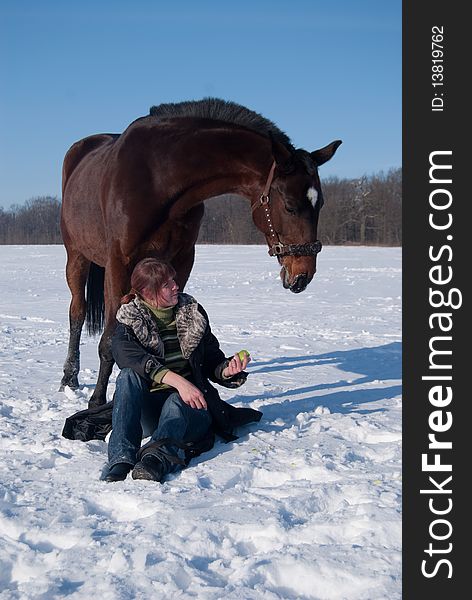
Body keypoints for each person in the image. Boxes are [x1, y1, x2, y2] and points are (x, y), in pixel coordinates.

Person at [102, 257, 262, 483]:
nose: (176, 285)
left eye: (173, 280)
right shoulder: (130, 319)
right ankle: (121, 458)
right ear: (147, 292)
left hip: (192, 408)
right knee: (128, 376)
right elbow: (125, 356)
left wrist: (227, 370)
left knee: (177, 401)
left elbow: (212, 360)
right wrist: (179, 382)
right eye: (167, 284)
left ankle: (156, 460)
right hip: (150, 409)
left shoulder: (192, 314)